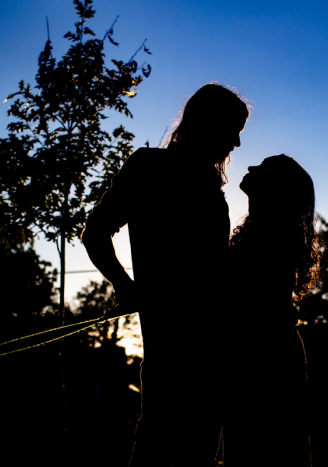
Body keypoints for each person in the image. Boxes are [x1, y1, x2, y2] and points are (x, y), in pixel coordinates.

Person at [81, 83, 249, 466]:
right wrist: (124, 286)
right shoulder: (148, 167)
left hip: (216, 352)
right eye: (233, 128)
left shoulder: (211, 186)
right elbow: (95, 233)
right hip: (172, 352)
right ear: (207, 122)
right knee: (157, 450)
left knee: (197, 458)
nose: (238, 142)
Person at [221, 155, 319, 466]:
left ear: (276, 188)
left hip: (265, 356)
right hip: (263, 353)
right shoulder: (261, 232)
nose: (250, 168)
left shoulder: (270, 236)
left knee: (263, 453)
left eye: (262, 167)